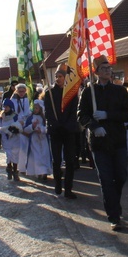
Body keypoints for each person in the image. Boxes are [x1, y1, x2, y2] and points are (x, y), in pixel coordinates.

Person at [78, 56, 128, 231]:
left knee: (121, 176)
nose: (107, 71)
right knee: (106, 180)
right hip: (99, 143)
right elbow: (81, 115)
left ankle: (114, 204)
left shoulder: (119, 91)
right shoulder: (89, 92)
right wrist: (94, 127)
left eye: (109, 68)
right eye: (103, 68)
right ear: (95, 72)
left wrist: (108, 115)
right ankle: (114, 216)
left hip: (117, 140)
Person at [44, 64, 80, 198]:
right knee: (57, 160)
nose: (58, 79)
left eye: (60, 76)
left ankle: (68, 188)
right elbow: (48, 112)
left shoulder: (71, 93)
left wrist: (67, 125)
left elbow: (73, 111)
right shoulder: (50, 94)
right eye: (56, 76)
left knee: (70, 160)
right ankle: (58, 184)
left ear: (65, 78)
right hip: (56, 131)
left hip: (68, 130)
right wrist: (55, 124)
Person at [19, 99, 52, 181]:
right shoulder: (30, 118)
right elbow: (26, 129)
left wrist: (42, 130)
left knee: (44, 155)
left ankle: (44, 171)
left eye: (37, 108)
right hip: (34, 140)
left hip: (43, 140)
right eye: (34, 108)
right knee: (36, 156)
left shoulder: (45, 118)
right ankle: (39, 172)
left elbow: (48, 128)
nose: (35, 109)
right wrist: (32, 127)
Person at [0, 99, 23, 180]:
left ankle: (15, 171)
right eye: (4, 107)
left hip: (15, 139)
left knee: (15, 155)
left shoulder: (15, 116)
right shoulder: (2, 117)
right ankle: (9, 168)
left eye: (7, 106)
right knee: (8, 155)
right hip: (6, 139)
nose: (5, 108)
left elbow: (20, 125)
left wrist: (16, 129)